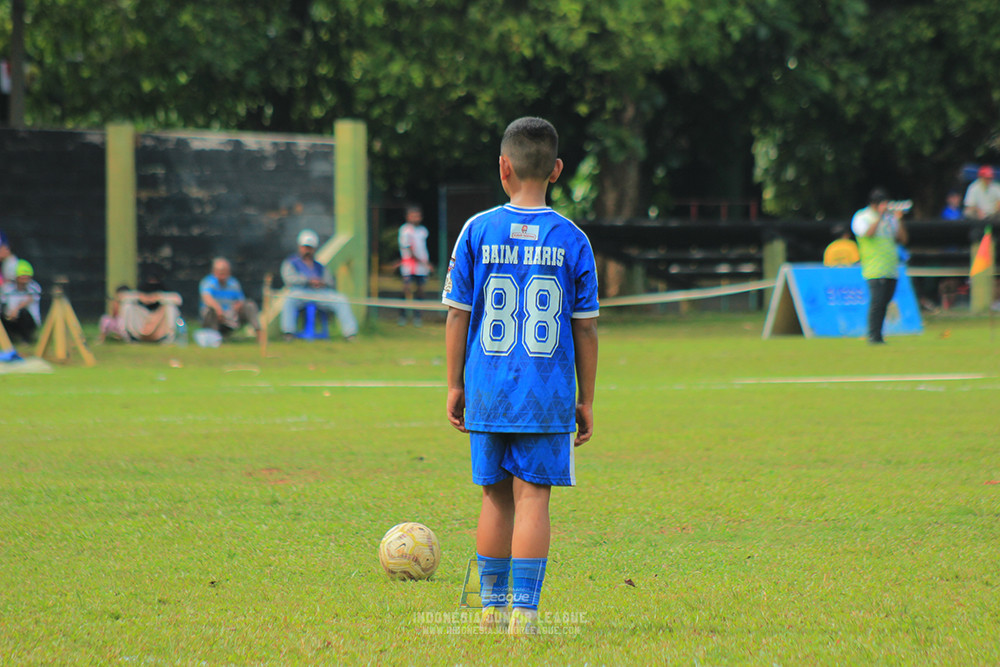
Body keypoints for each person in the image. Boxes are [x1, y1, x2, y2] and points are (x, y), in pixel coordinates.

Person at [442, 117, 600, 635]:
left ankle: (489, 609)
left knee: (494, 495)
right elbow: (587, 329)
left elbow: (458, 315)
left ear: (503, 167)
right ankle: (524, 616)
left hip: (488, 388)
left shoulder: (477, 231)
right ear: (556, 169)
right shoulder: (573, 239)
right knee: (534, 496)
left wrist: (455, 385)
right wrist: (587, 398)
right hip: (547, 393)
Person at [851, 187, 908, 344]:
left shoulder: (890, 219)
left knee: (885, 302)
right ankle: (873, 336)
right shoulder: (862, 217)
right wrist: (879, 217)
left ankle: (879, 335)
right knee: (877, 302)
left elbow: (902, 239)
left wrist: (899, 219)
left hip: (891, 267)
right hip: (874, 268)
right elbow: (867, 233)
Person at [280, 229, 358, 341]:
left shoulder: (319, 266)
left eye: (310, 248)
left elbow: (330, 281)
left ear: (314, 249)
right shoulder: (291, 262)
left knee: (341, 299)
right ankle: (288, 332)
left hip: (319, 293)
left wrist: (322, 282)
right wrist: (308, 280)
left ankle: (350, 334)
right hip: (300, 292)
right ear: (300, 247)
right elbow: (289, 279)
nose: (307, 250)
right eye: (305, 247)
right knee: (289, 299)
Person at [199, 257, 263, 343]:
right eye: (220, 273)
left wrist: (237, 306)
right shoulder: (208, 282)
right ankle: (214, 339)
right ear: (214, 272)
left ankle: (260, 335)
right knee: (210, 311)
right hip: (214, 316)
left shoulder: (233, 283)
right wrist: (218, 309)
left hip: (231, 316)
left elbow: (240, 299)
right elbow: (206, 298)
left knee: (249, 305)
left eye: (225, 272)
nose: (223, 276)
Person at [119, 274, 183, 343]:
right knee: (127, 306)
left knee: (171, 307)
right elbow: (122, 297)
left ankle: (169, 338)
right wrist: (141, 297)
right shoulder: (138, 294)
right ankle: (130, 337)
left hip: (160, 323)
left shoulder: (163, 293)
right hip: (141, 321)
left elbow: (178, 300)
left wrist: (159, 297)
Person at [397, 205, 432, 326]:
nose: (415, 218)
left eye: (417, 215)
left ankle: (418, 317)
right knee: (406, 289)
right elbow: (409, 249)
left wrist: (425, 263)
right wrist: (424, 262)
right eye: (412, 215)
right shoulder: (405, 230)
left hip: (421, 267)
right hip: (409, 264)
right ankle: (402, 315)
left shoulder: (423, 231)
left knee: (421, 291)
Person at [1, 259, 42, 343]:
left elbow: (30, 299)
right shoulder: (7, 288)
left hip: (28, 320)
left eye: (26, 277)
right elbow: (3, 303)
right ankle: (8, 338)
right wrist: (8, 313)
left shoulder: (34, 287)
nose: (24, 279)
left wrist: (16, 310)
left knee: (23, 313)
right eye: (21, 277)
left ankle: (27, 338)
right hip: (11, 318)